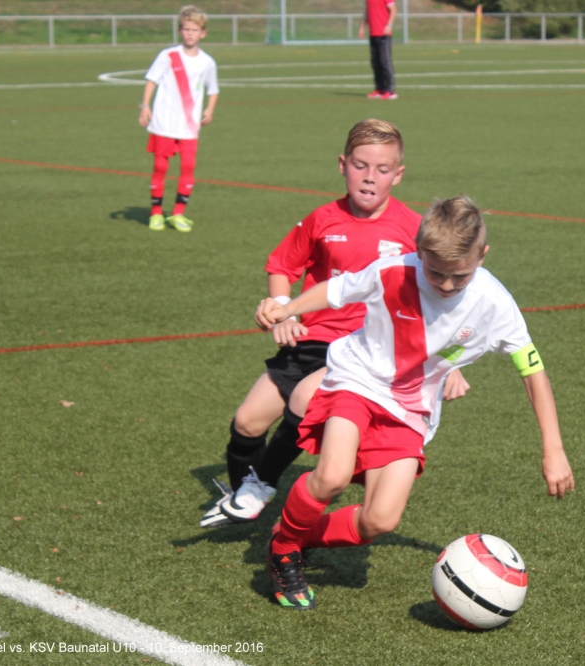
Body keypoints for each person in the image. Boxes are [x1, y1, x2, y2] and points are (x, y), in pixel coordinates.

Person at [256, 196, 575, 610]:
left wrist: (553, 449)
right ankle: (283, 551)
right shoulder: (393, 269)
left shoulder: (495, 304)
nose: (446, 285)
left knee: (379, 520)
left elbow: (533, 372)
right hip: (357, 379)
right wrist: (287, 309)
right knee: (332, 476)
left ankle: (295, 538)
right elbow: (336, 291)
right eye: (435, 272)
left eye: (459, 276)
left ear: (483, 255)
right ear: (419, 250)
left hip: (411, 408)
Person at [199, 119, 470, 529]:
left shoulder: (412, 231)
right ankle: (246, 498)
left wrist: (450, 363)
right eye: (360, 166)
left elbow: (439, 300)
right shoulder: (322, 220)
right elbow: (281, 266)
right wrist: (283, 309)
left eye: (382, 169)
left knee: (305, 403)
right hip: (310, 341)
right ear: (343, 165)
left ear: (398, 175)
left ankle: (264, 489)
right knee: (247, 422)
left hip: (364, 352)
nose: (369, 177)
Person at [138, 5, 219, 233]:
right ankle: (156, 213)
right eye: (186, 29)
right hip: (164, 122)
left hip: (189, 125)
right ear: (179, 31)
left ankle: (178, 214)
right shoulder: (168, 55)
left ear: (203, 33)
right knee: (160, 166)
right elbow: (152, 80)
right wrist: (145, 105)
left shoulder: (207, 62)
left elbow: (213, 89)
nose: (190, 33)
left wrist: (210, 110)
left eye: (195, 30)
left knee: (188, 166)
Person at [358, 0, 397, 100]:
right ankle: (380, 89)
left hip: (384, 33)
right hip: (373, 33)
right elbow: (368, 11)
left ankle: (391, 91)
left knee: (385, 62)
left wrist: (389, 25)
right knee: (375, 63)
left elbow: (393, 10)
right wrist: (362, 27)